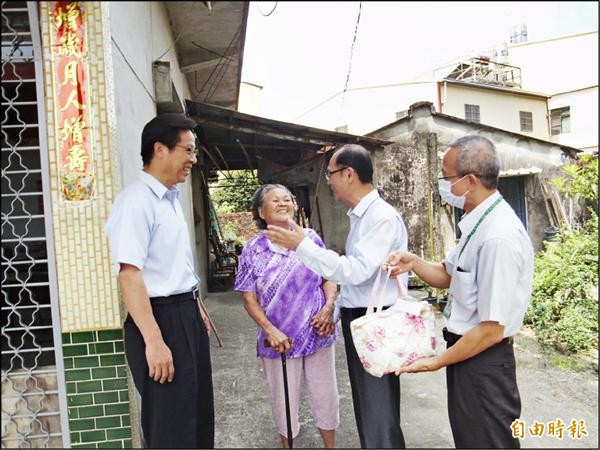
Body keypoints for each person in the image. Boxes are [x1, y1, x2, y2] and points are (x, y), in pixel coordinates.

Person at [384, 135, 534, 449]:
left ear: (470, 180)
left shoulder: (498, 237)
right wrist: (413, 262)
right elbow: (448, 275)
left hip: (484, 361)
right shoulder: (476, 223)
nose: (442, 183)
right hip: (467, 355)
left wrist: (436, 362)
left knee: (490, 442)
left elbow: (492, 330)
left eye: (446, 176)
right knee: (469, 440)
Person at [264, 144, 409, 449]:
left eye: (330, 174)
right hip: (363, 317)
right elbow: (357, 283)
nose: (328, 180)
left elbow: (356, 271)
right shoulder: (362, 216)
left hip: (377, 321)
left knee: (378, 408)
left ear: (349, 174)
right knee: (369, 407)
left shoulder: (380, 218)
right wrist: (335, 309)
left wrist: (301, 245)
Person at [104, 113, 214, 448]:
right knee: (170, 425)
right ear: (160, 149)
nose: (193, 160)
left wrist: (196, 306)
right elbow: (130, 274)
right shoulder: (136, 202)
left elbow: (174, 264)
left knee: (197, 415)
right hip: (158, 319)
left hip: (184, 313)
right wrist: (153, 341)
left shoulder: (169, 200)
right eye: (189, 150)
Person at [234, 184, 340, 449]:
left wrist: (328, 308)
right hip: (279, 341)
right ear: (261, 211)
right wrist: (270, 329)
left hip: (318, 333)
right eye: (275, 200)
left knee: (326, 396)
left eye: (287, 199)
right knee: (284, 400)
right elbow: (249, 298)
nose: (283, 203)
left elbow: (330, 278)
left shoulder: (310, 239)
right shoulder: (253, 249)